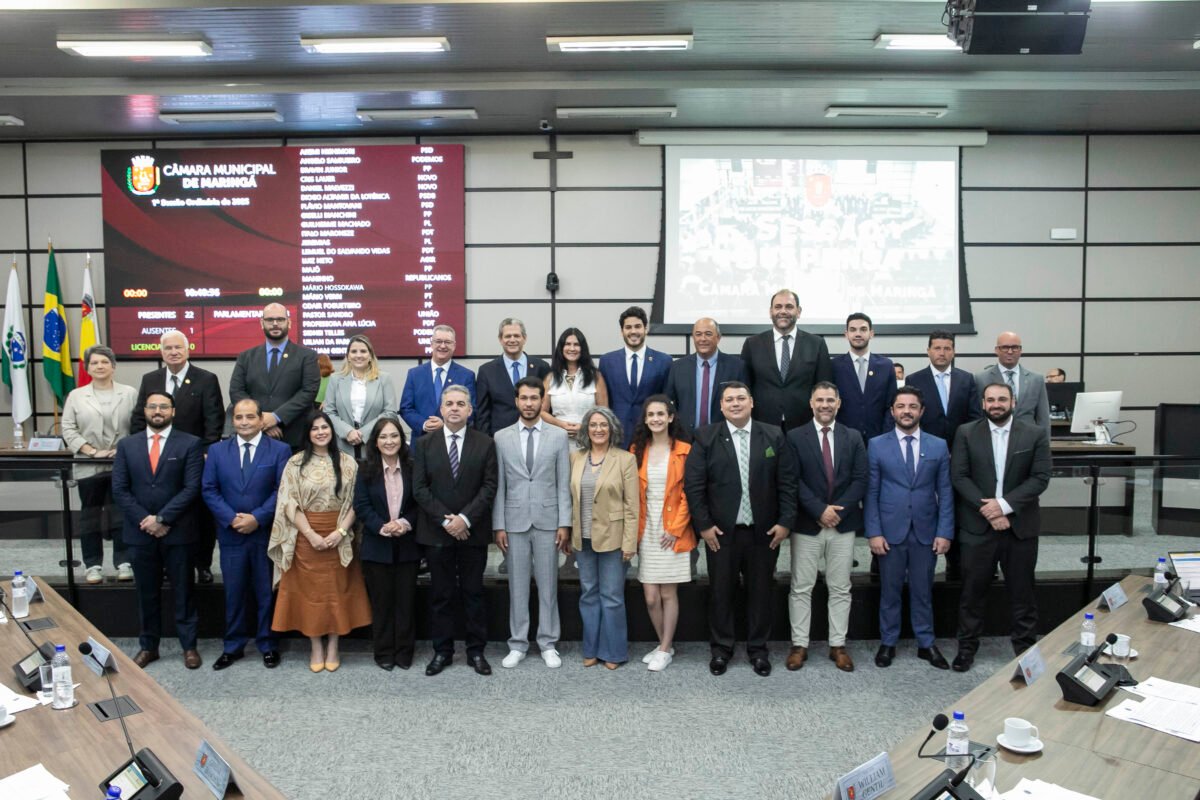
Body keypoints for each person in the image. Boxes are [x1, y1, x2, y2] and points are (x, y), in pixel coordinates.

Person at [684, 382, 797, 677]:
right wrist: (705, 526)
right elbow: (694, 487)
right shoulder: (707, 436)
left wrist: (785, 522)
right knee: (721, 593)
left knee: (761, 593)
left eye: (741, 398)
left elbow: (787, 482)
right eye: (729, 400)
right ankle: (721, 650)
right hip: (721, 534)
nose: (735, 404)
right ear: (721, 406)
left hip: (764, 533)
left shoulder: (773, 435)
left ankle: (758, 650)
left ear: (752, 402)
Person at [950, 382, 1052, 672]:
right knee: (972, 593)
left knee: (1023, 594)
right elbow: (959, 476)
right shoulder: (966, 433)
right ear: (983, 403)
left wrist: (1005, 505)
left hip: (1019, 526)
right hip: (978, 526)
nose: (996, 404)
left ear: (1013, 401)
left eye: (1002, 399)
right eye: (991, 399)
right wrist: (990, 510)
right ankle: (966, 649)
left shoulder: (1034, 434)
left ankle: (1025, 650)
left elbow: (1041, 477)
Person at [268, 410, 370, 673]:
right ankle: (315, 645)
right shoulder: (295, 463)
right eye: (315, 429)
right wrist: (311, 534)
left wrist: (339, 532)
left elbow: (357, 503)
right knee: (310, 594)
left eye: (325, 427)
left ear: (332, 431)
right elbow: (288, 502)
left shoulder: (348, 463)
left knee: (337, 591)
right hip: (306, 536)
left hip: (339, 534)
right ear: (308, 434)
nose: (321, 432)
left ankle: (334, 644)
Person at [110, 392, 205, 669]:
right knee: (146, 593)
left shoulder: (190, 443)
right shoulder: (127, 445)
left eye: (164, 406)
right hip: (140, 533)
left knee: (184, 592)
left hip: (178, 532)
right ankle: (149, 647)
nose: (158, 411)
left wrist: (163, 519)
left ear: (173, 411)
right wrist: (147, 521)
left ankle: (189, 647)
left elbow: (191, 488)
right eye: (153, 406)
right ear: (145, 411)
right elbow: (120, 489)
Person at [865, 386, 954, 671]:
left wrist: (945, 532)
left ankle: (926, 643)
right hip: (889, 532)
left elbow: (946, 492)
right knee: (889, 591)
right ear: (892, 411)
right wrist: (874, 532)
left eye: (912, 406)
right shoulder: (877, 444)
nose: (906, 411)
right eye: (900, 406)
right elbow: (871, 492)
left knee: (922, 591)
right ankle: (888, 642)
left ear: (921, 411)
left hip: (926, 532)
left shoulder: (938, 445)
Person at [412, 385, 498, 676]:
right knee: (442, 595)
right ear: (441, 408)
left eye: (461, 403)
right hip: (437, 533)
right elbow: (420, 489)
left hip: (473, 532)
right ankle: (442, 652)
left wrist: (465, 519)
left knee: (474, 593)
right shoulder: (424, 444)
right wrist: (447, 521)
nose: (455, 408)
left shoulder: (485, 443)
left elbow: (489, 487)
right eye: (449, 403)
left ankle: (476, 652)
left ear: (470, 410)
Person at [202, 398, 292, 671]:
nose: (244, 422)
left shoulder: (279, 449)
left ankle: (268, 644)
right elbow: (209, 489)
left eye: (250, 417)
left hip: (265, 532)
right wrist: (231, 519)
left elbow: (283, 489)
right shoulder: (217, 451)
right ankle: (233, 646)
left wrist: (257, 518)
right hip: (231, 534)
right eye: (239, 417)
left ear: (260, 419)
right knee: (235, 592)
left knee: (266, 591)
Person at [784, 382, 868, 673]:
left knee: (841, 587)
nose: (825, 405)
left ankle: (837, 645)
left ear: (839, 403)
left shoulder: (853, 437)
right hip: (807, 523)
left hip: (842, 525)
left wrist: (836, 513)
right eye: (819, 400)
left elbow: (860, 479)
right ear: (811, 403)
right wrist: (819, 510)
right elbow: (792, 480)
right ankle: (799, 645)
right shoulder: (794, 437)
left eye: (830, 400)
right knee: (801, 587)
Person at [131, 329, 224, 584]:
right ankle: (162, 563)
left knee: (200, 513)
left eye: (178, 348)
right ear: (161, 352)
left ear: (187, 350)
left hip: (196, 458)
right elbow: (140, 418)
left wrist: (207, 452)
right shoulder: (150, 379)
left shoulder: (205, 378)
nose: (173, 352)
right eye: (168, 348)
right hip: (157, 458)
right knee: (161, 508)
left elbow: (214, 420)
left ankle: (202, 564)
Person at [492, 377, 571, 670]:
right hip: (513, 521)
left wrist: (565, 523)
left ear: (542, 401)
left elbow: (563, 483)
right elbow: (499, 485)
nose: (529, 403)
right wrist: (499, 524)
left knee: (549, 585)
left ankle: (548, 642)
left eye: (534, 398)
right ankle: (518, 643)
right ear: (516, 401)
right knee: (518, 586)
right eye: (523, 398)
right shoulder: (501, 437)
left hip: (549, 520)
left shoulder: (558, 436)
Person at [61, 345, 138, 584]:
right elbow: (68, 429)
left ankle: (123, 562)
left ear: (113, 366)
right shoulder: (76, 395)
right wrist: (92, 451)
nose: (100, 366)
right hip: (89, 464)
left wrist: (121, 451)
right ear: (87, 367)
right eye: (94, 363)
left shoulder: (130, 393)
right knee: (90, 516)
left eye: (105, 362)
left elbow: (137, 427)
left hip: (121, 463)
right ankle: (92, 565)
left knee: (121, 514)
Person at [569, 406, 638, 669]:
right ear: (586, 429)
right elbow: (570, 498)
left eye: (604, 425)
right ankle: (591, 648)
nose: (598, 429)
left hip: (614, 538)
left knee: (611, 596)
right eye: (593, 425)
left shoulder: (624, 459)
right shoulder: (576, 458)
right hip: (582, 538)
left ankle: (614, 652)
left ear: (612, 429)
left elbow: (633, 505)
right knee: (588, 594)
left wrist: (630, 543)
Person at [629, 395, 693, 672]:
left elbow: (690, 494)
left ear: (670, 418)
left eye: (660, 414)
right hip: (647, 527)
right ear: (645, 419)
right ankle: (662, 643)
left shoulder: (684, 450)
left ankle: (665, 648)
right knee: (650, 595)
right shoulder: (636, 450)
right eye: (650, 414)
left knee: (668, 593)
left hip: (673, 528)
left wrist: (676, 529)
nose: (655, 418)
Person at [353, 416, 422, 671]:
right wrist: (381, 526)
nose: (389, 441)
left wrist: (403, 523)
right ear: (376, 441)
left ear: (402, 440)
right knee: (381, 603)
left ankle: (404, 651)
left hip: (407, 545)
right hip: (376, 545)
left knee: (406, 602)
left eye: (394, 436)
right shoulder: (365, 469)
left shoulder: (414, 468)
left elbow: (420, 503)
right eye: (383, 437)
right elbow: (361, 505)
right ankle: (383, 651)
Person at [228, 303, 321, 451]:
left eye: (280, 319)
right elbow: (236, 391)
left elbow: (308, 392)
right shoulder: (246, 357)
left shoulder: (307, 356)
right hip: (254, 437)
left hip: (295, 437)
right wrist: (261, 421)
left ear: (289, 322)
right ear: (262, 323)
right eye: (270, 320)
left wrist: (277, 417)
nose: (275, 324)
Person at [739, 289, 832, 431]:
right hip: (763, 426)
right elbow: (744, 388)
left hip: (804, 426)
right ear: (770, 312)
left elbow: (824, 387)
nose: (783, 311)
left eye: (789, 307)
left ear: (799, 311)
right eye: (778, 307)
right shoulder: (752, 344)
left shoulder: (816, 344)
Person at [598, 306, 671, 447]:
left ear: (646, 329)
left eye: (638, 326)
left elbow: (666, 400)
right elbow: (604, 401)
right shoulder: (607, 361)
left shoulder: (664, 361)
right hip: (616, 436)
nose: (633, 331)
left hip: (651, 436)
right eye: (628, 327)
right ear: (622, 331)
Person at [663, 317, 745, 434]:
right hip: (685, 438)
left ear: (718, 338)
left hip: (723, 437)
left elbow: (743, 405)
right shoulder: (677, 367)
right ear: (693, 338)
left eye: (708, 334)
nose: (703, 339)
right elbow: (669, 404)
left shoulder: (736, 366)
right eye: (698, 334)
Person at [322, 334, 398, 460]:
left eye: (363, 351)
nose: (358, 355)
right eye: (353, 351)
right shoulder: (335, 379)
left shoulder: (384, 379)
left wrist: (363, 434)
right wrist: (348, 432)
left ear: (370, 356)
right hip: (342, 445)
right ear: (348, 356)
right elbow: (329, 412)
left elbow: (390, 412)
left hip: (375, 444)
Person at [474, 318, 552, 436]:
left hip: (537, 436)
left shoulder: (542, 367)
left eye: (516, 336)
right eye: (507, 336)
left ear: (524, 338)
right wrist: (486, 443)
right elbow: (482, 413)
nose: (512, 340)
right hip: (499, 438)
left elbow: (548, 407)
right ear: (500, 339)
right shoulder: (487, 371)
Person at [903, 330, 981, 446]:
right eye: (937, 348)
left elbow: (974, 416)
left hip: (960, 444)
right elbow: (911, 415)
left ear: (954, 352)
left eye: (947, 349)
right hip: (925, 445)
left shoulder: (966, 379)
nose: (942, 353)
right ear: (928, 351)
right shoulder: (914, 380)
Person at [830, 313, 897, 440]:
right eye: (853, 330)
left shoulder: (886, 365)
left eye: (863, 329)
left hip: (879, 438)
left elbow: (891, 405)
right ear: (846, 334)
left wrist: (886, 435)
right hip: (843, 439)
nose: (858, 334)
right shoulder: (834, 366)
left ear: (871, 334)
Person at [975, 331, 1051, 438]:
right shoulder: (981, 379)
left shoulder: (1036, 379)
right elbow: (978, 416)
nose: (1010, 351)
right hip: (993, 437)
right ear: (996, 350)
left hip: (1028, 438)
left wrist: (1045, 446)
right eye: (1005, 347)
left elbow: (1043, 418)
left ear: (1020, 350)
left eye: (1015, 347)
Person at [542, 327, 608, 438]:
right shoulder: (550, 378)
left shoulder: (596, 377)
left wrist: (585, 426)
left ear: (583, 348)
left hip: (588, 439)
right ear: (561, 348)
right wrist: (560, 424)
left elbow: (604, 412)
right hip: (557, 438)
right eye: (567, 344)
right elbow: (541, 412)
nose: (572, 348)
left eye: (576, 344)